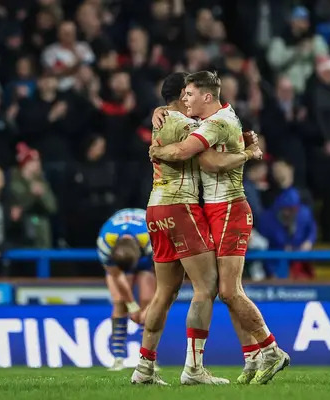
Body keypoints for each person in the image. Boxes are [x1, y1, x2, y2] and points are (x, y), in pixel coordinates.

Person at [150, 71, 289, 385]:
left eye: (190, 95)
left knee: (228, 290)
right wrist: (159, 111)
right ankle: (253, 357)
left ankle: (270, 350)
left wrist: (158, 152)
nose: (185, 100)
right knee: (226, 292)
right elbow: (182, 127)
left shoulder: (217, 123)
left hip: (229, 209)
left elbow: (203, 160)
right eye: (182, 95)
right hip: (213, 210)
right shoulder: (210, 120)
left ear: (207, 97)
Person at [96, 208, 155, 372]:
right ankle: (118, 358)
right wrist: (131, 305)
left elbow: (162, 274)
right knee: (120, 303)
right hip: (119, 255)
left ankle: (148, 358)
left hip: (146, 260)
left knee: (148, 302)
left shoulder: (152, 237)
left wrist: (147, 308)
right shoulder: (105, 242)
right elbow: (116, 275)